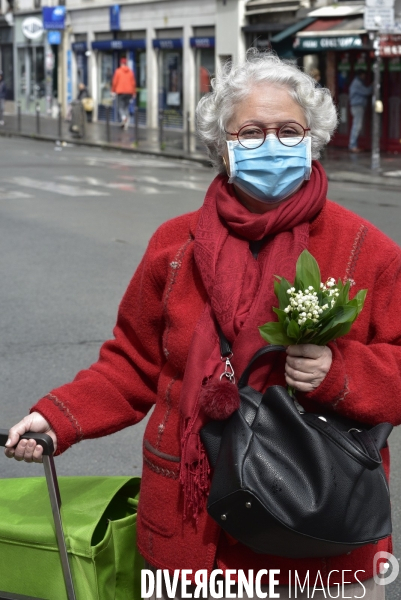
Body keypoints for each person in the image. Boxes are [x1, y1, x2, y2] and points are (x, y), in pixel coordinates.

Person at [5, 51, 401, 599]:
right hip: (193, 542)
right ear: (222, 145)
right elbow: (133, 362)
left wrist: (340, 371)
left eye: (289, 130)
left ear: (313, 140)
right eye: (252, 131)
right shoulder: (174, 245)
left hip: (318, 537)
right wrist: (57, 418)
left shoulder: (367, 251)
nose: (272, 144)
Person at [348, 69, 372, 153]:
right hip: (357, 107)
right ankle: (352, 145)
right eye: (363, 75)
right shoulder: (357, 83)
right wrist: (373, 85)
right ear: (361, 75)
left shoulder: (356, 82)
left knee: (357, 126)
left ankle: (354, 145)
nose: (364, 76)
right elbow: (367, 91)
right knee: (356, 126)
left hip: (357, 107)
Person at [111, 57, 136, 129]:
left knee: (120, 107)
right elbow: (133, 83)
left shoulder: (118, 71)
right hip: (129, 92)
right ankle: (126, 122)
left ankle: (124, 118)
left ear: (121, 63)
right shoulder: (130, 72)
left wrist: (113, 91)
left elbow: (114, 82)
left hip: (120, 92)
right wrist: (134, 93)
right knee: (126, 107)